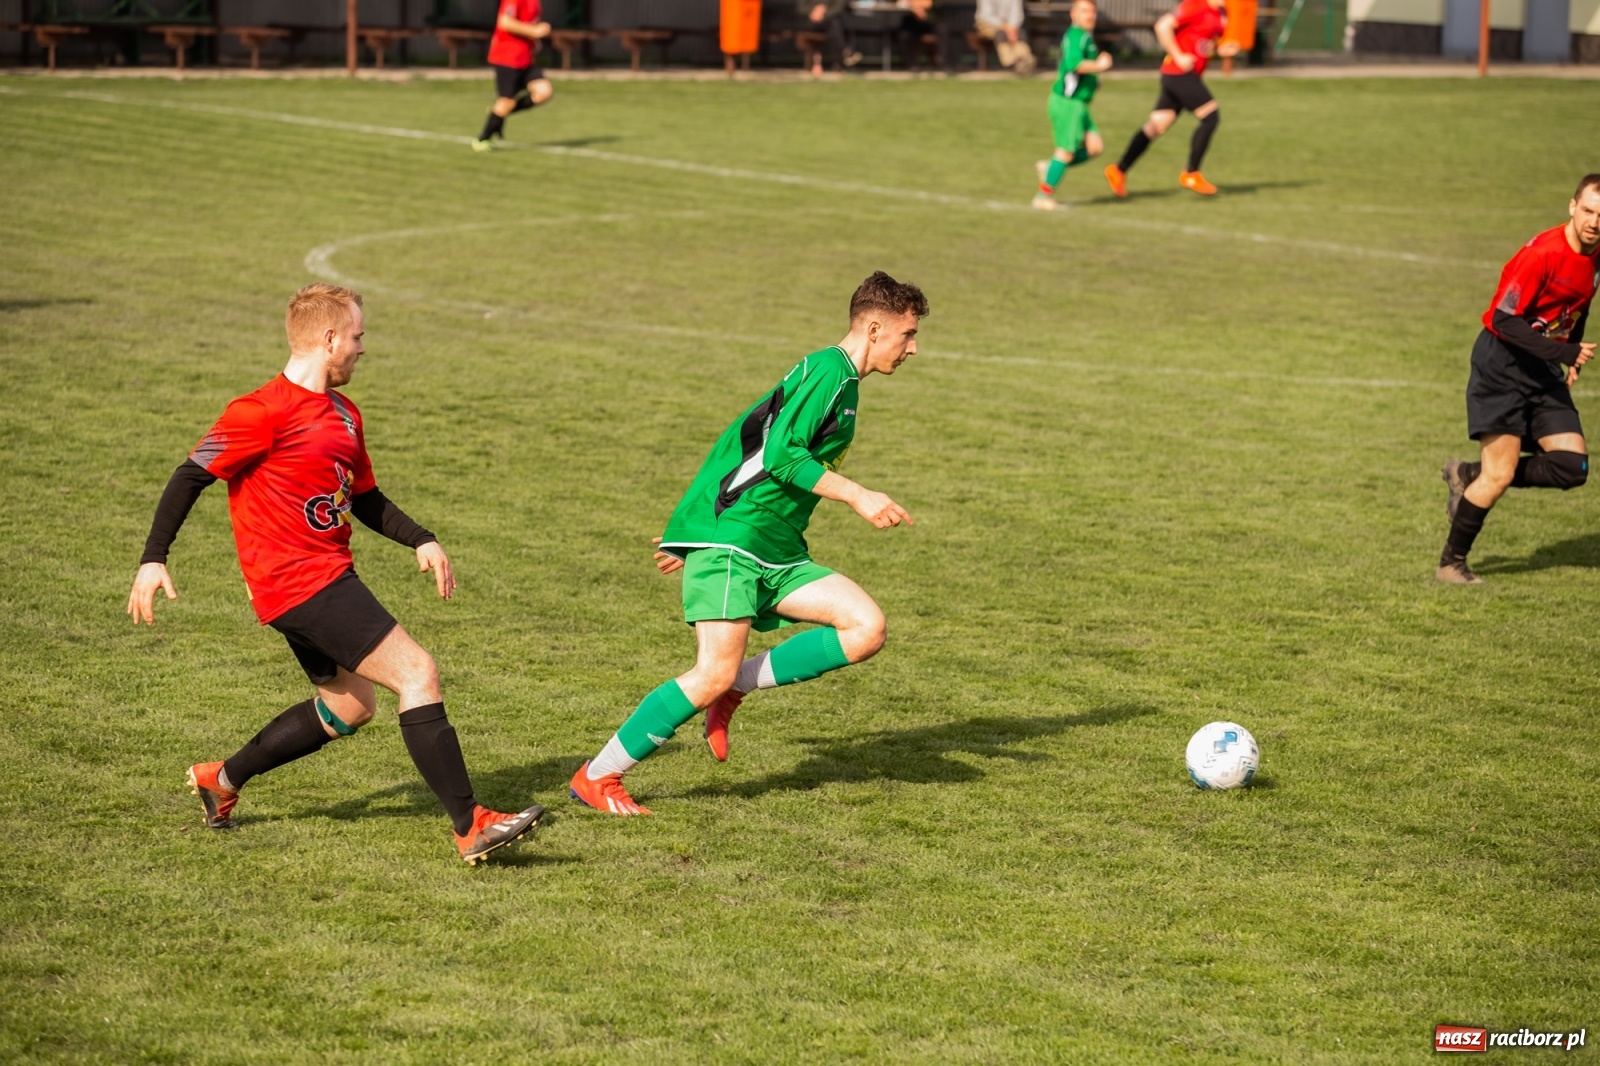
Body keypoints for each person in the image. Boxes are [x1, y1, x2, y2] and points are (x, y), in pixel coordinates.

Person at [127, 284, 544, 864]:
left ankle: (219, 779)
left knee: (350, 707)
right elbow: (189, 475)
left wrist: (420, 538)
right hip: (301, 583)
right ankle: (471, 826)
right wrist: (154, 558)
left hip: (318, 579)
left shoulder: (345, 414)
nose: (361, 348)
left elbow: (364, 498)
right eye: (357, 336)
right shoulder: (259, 411)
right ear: (328, 340)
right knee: (419, 673)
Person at [568, 272, 928, 816]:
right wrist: (857, 495)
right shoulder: (829, 370)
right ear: (875, 328)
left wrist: (693, 529)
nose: (912, 348)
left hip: (775, 547)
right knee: (708, 671)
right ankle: (599, 775)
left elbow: (747, 442)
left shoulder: (842, 383)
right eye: (907, 334)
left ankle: (733, 688)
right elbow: (782, 453)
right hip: (738, 543)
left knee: (865, 627)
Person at [1436, 176, 1600, 584]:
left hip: (1541, 369)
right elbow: (1503, 319)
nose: (1595, 222)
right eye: (1588, 210)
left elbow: (1578, 306)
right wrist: (1562, 352)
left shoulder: (1597, 256)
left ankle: (1469, 474)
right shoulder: (1542, 255)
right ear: (1571, 207)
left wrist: (1572, 350)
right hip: (1502, 369)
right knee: (1500, 476)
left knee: (1572, 466)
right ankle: (1450, 564)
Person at [1103, 0, 1234, 198]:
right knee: (1211, 117)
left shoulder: (1222, 13)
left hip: (1186, 76)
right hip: (1178, 74)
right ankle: (1191, 173)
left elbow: (1204, 44)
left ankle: (1118, 170)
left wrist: (1220, 51)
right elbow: (1162, 26)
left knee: (1156, 126)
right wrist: (1178, 55)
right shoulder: (1195, 5)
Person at [1033, 0, 1112, 211]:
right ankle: (1043, 196)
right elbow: (1074, 64)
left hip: (1080, 105)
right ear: (1073, 14)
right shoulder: (1076, 35)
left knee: (1095, 147)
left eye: (1092, 11)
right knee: (1066, 151)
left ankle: (1050, 168)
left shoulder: (1085, 36)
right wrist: (1099, 66)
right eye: (1084, 11)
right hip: (1068, 103)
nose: (1090, 15)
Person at [471, 0, 553, 152]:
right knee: (506, 102)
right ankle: (482, 139)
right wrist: (534, 31)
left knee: (544, 92)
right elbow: (505, 22)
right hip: (507, 58)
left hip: (526, 58)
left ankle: (498, 112)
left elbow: (529, 22)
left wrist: (536, 37)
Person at [797, 0, 862, 76]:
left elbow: (839, 6)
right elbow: (801, 7)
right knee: (835, 26)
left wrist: (824, 13)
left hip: (829, 20)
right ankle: (845, 53)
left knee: (835, 24)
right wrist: (814, 11)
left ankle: (840, 58)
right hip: (810, 20)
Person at [975, 0, 1033, 73]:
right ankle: (1010, 62)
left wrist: (1012, 28)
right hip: (987, 24)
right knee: (1000, 34)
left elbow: (1017, 14)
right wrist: (1006, 28)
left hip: (1010, 25)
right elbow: (986, 16)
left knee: (1020, 33)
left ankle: (1025, 58)